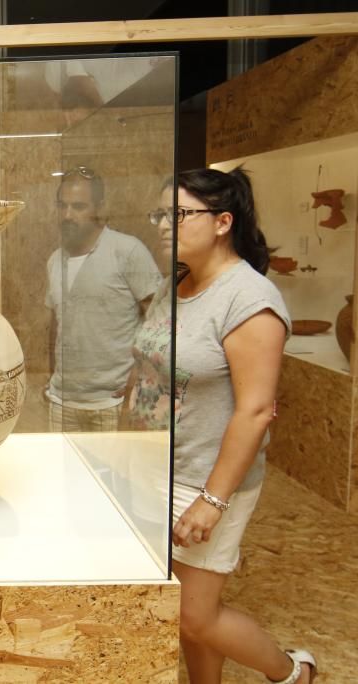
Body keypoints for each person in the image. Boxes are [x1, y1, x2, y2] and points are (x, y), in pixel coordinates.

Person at [129, 168, 316, 683]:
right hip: (158, 465)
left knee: (195, 614)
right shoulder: (178, 282)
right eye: (161, 214)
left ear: (222, 223)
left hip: (206, 478)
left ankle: (291, 673)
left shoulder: (249, 300)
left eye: (180, 214)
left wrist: (211, 501)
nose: (165, 225)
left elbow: (255, 410)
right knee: (186, 609)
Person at [44, 165, 161, 431]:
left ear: (99, 208)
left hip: (112, 403)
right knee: (63, 473)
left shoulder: (127, 251)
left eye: (78, 206)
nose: (68, 215)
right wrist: (52, 376)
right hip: (62, 401)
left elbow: (160, 320)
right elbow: (55, 326)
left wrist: (139, 379)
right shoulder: (55, 261)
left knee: (113, 473)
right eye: (62, 206)